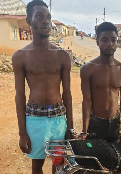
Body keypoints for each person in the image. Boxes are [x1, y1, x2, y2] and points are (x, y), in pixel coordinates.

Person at [12, 0, 73, 173]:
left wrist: (70, 128)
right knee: (37, 164)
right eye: (39, 16)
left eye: (48, 17)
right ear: (29, 21)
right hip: (34, 118)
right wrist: (22, 133)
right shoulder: (20, 56)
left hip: (58, 118)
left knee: (58, 163)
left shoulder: (62, 56)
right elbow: (20, 95)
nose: (46, 21)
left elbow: (67, 93)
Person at [79, 22, 121, 146]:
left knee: (113, 160)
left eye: (113, 40)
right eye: (104, 40)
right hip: (95, 122)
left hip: (114, 123)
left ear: (117, 42)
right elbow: (87, 101)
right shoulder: (88, 69)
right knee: (93, 159)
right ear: (97, 42)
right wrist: (84, 130)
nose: (109, 43)